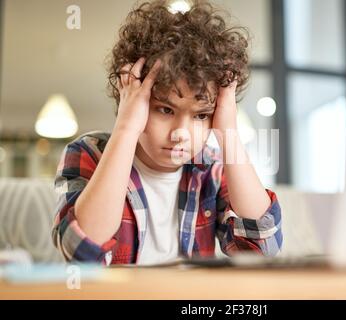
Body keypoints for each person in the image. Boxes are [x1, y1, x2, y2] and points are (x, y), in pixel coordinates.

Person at [51, 0, 282, 265]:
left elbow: (261, 249)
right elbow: (82, 251)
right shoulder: (87, 153)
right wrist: (126, 128)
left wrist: (228, 132)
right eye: (165, 110)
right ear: (131, 100)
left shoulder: (211, 168)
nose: (180, 133)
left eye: (201, 115)